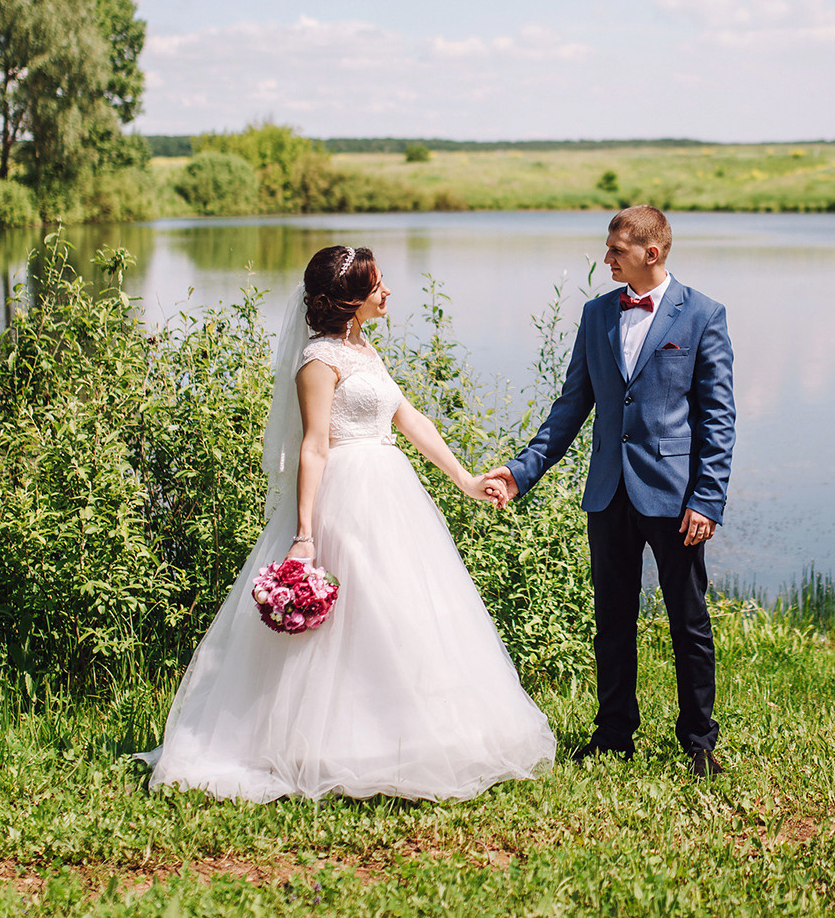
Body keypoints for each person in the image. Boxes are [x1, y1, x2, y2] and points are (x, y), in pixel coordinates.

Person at [139, 245, 555, 801]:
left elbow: (408, 417)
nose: (388, 292)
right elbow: (313, 447)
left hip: (392, 493)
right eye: (378, 285)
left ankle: (411, 734)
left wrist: (464, 479)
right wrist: (305, 536)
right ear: (351, 300)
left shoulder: (362, 348)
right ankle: (327, 743)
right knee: (354, 617)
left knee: (402, 611)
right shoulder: (318, 360)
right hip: (344, 499)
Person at [482, 206, 735, 778]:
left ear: (653, 252)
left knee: (687, 619)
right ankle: (614, 732)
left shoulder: (703, 315)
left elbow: (718, 419)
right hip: (608, 491)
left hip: (674, 497)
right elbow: (572, 405)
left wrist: (706, 498)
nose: (606, 259)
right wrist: (522, 472)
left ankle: (699, 741)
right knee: (611, 616)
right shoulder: (597, 314)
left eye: (616, 249)